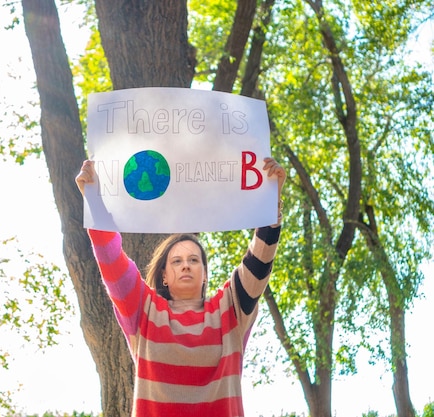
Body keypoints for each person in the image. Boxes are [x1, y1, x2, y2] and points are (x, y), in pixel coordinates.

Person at [75, 157, 286, 417]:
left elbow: (260, 260)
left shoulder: (230, 309)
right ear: (164, 276)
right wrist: (94, 201)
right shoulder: (144, 310)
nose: (186, 265)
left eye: (194, 260)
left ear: (205, 274)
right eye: (177, 261)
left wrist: (270, 202)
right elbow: (111, 262)